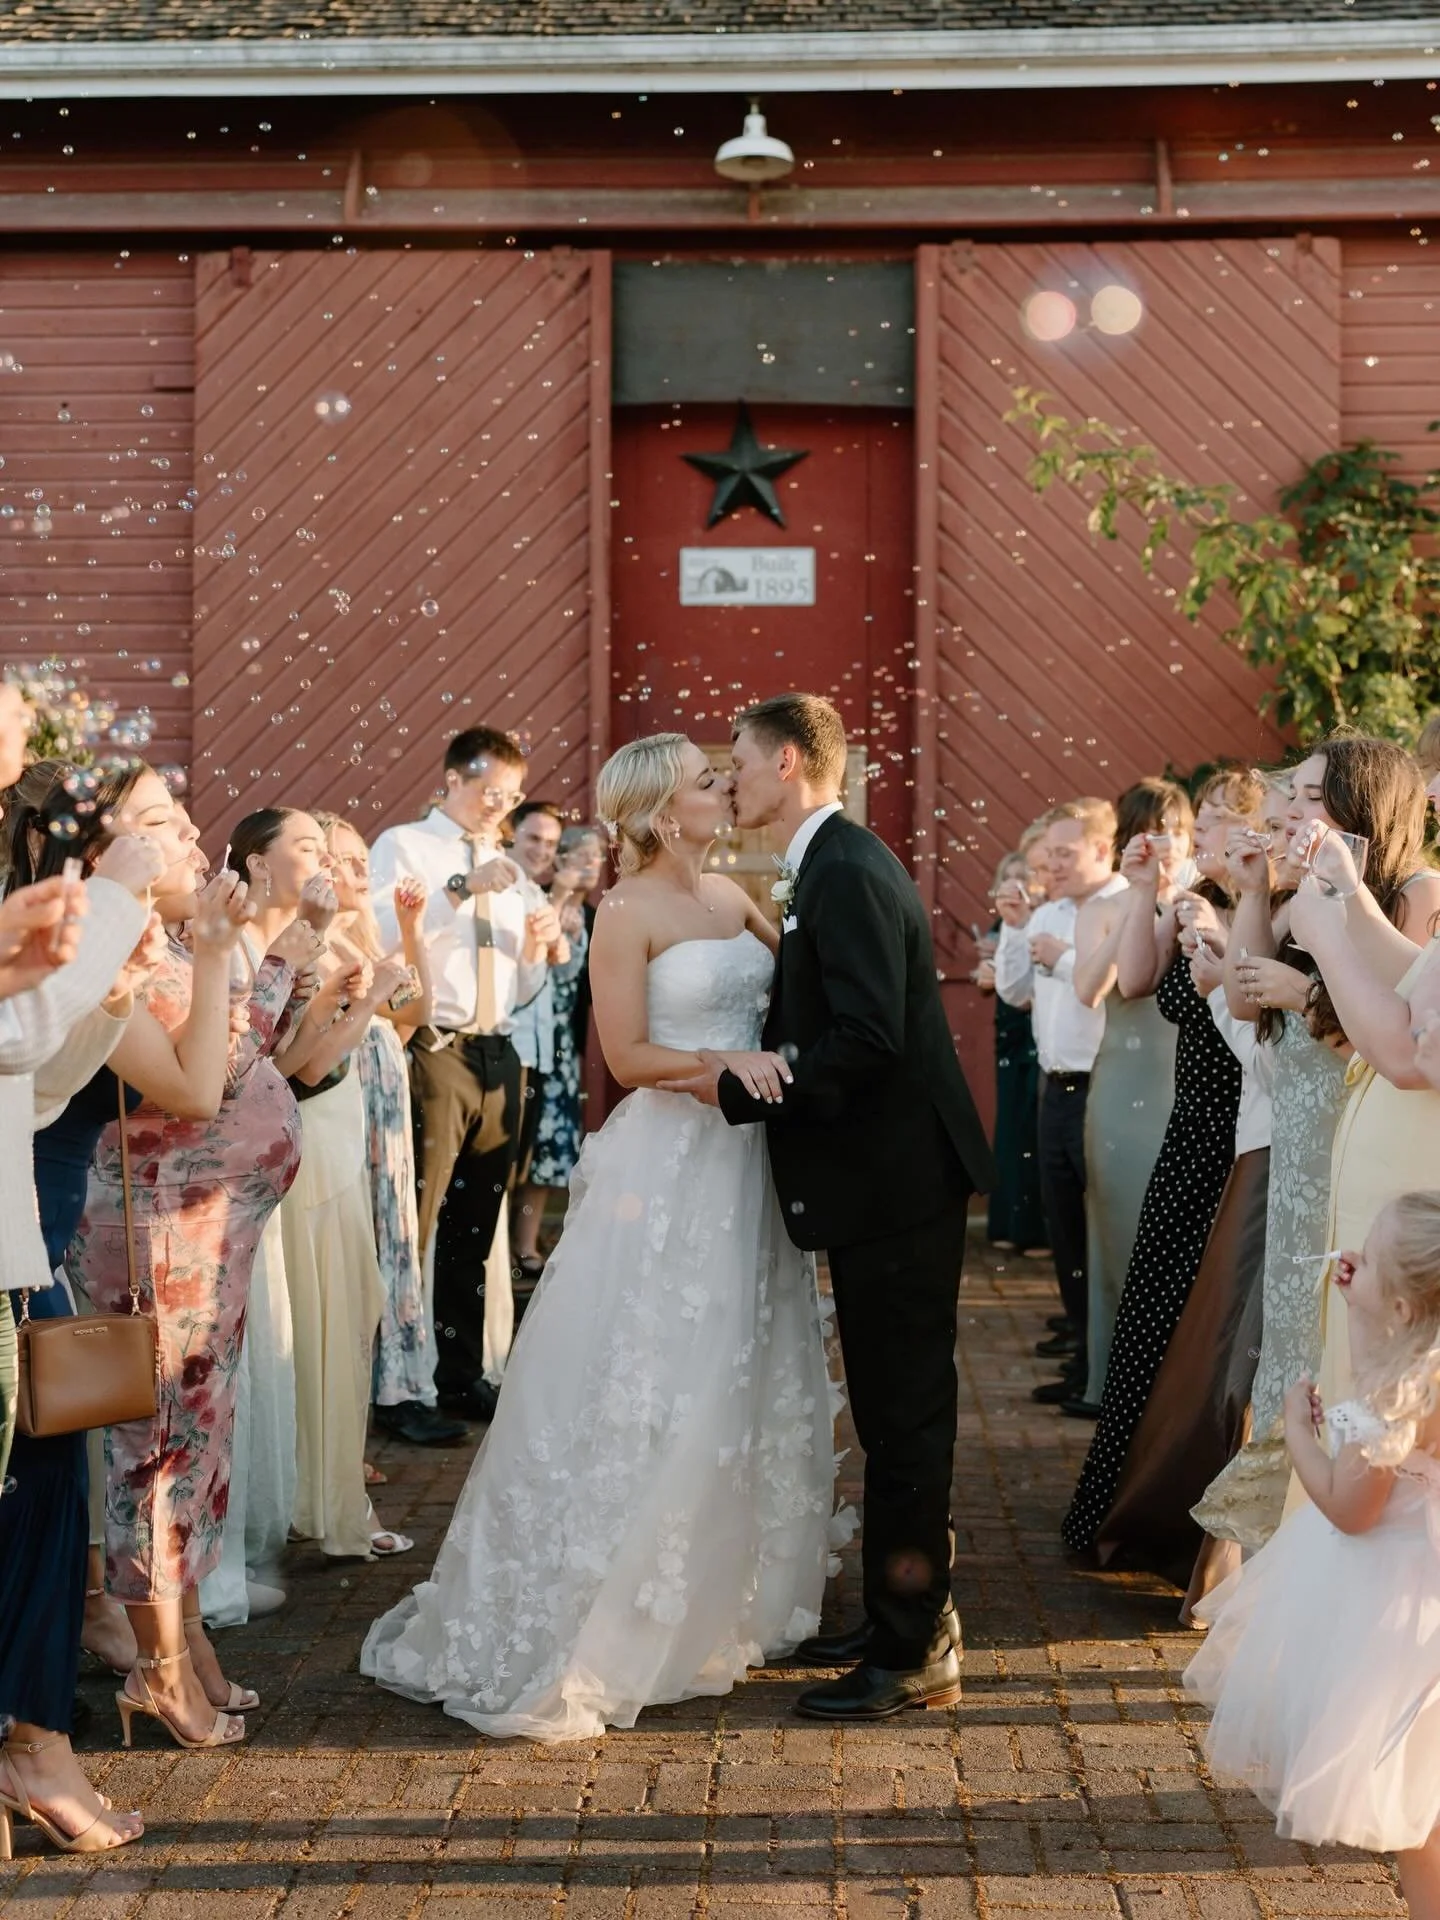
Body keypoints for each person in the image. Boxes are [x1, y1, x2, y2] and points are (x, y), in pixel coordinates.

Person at [362, 732, 842, 1741]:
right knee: (653, 1370)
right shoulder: (628, 912)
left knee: (735, 1369)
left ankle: (715, 1596)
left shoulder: (733, 899)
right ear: (666, 812)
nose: (723, 790)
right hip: (669, 1166)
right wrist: (724, 1059)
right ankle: (611, 1609)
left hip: (744, 1165)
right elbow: (625, 1055)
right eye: (706, 784)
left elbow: (796, 987)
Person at [662, 694, 995, 1721]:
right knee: (899, 1414)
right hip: (888, 1179)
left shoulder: (844, 868)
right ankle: (914, 1612)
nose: (734, 779)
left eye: (743, 763)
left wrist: (748, 1082)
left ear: (794, 764)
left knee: (904, 1423)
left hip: (894, 1183)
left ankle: (910, 1654)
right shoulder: (837, 859)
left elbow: (864, 1041)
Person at [68, 774, 307, 1751]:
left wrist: (275, 944)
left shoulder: (165, 942)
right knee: (159, 1453)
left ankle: (191, 1642)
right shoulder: (103, 957)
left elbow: (252, 1041)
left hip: (212, 1239)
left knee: (197, 1448)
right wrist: (217, 953)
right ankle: (156, 1668)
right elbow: (198, 1089)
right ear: (105, 857)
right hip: (157, 1241)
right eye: (162, 825)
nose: (193, 836)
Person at [1200, 735, 1437, 1550]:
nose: (1291, 811)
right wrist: (1262, 891)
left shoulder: (1414, 892)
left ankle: (1342, 1521)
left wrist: (1313, 976)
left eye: (1309, 796)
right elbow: (1239, 997)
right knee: (1298, 1342)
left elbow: (1405, 1047)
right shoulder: (1317, 889)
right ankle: (1287, 1536)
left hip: (1377, 1149)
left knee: (1358, 1346)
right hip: (1316, 1153)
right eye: (1291, 795)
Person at [1185, 1193, 1440, 1915]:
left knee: (1421, 1813)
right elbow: (1394, 1351)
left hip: (1401, 1615)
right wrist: (1366, 1309)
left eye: (1370, 1256)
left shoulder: (1390, 1400)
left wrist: (1298, 1430)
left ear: (1401, 1312)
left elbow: (1348, 1508)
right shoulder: (1423, 1371)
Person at [1061, 767, 1264, 1555]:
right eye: (1198, 818)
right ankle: (1124, 1497)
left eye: (1212, 820)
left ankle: (1177, 1513)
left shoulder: (1253, 913)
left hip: (1225, 1136)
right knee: (1149, 1311)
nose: (1197, 832)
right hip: (1187, 1131)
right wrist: (1149, 890)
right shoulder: (1187, 904)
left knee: (1193, 1324)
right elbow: (1138, 981)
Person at [232, 808, 413, 1561]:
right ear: (255, 864)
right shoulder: (248, 947)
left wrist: (355, 995)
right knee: (310, 1330)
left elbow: (308, 1053)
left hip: (334, 1137)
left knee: (346, 1317)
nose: (323, 863)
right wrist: (359, 1003)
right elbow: (298, 1066)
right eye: (306, 848)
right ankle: (315, 1500)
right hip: (296, 1153)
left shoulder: (306, 943)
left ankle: (335, 1495)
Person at [368, 728, 562, 1423]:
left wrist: (540, 952)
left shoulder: (507, 868)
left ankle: (458, 1373)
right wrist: (459, 887)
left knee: (474, 1230)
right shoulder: (404, 845)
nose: (499, 806)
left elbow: (524, 987)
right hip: (435, 1047)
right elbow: (380, 936)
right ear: (453, 778)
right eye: (490, 792)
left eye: (510, 795)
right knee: (415, 1225)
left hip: (496, 1051)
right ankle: (399, 1387)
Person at [312, 814, 464, 1453]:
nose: (357, 872)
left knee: (392, 1242)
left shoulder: (362, 942)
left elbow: (417, 1014)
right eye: (342, 861)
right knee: (359, 1253)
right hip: (347, 1109)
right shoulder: (315, 946)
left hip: (387, 1111)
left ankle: (398, 1388)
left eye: (358, 860)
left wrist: (409, 933)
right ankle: (368, 1406)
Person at [995, 798, 1126, 1408]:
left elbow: (1122, 984)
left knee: (1104, 1227)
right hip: (1055, 1089)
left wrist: (1065, 955)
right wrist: (1019, 930)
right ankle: (1082, 1355)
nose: (1053, 864)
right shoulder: (1047, 909)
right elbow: (1015, 990)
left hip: (1106, 1089)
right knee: (1065, 1229)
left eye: (1066, 853)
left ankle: (1111, 1367)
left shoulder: (1125, 904)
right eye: (1049, 854)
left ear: (1104, 849)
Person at [1069, 779, 1190, 1414]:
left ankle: (1175, 1381)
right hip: (1123, 1088)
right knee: (1122, 1231)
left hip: (1189, 1086)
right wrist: (1134, 910)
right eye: (1154, 832)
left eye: (1178, 831)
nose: (1167, 845)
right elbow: (1089, 989)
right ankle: (1118, 1385)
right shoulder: (1105, 907)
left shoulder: (1205, 902)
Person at [503, 801, 582, 1290]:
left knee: (523, 1157)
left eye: (551, 844)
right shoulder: (500, 892)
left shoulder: (536, 895)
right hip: (500, 1042)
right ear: (510, 835)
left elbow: (558, 973)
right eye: (533, 839)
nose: (542, 851)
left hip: (537, 1049)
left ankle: (512, 1254)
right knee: (502, 1165)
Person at [525, 824, 607, 1238]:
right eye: (585, 855)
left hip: (563, 1046)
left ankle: (528, 1238)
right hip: (527, 1042)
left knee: (553, 1144)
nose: (595, 864)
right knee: (527, 1142)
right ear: (560, 860)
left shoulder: (594, 918)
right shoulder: (537, 903)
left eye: (599, 856)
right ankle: (516, 1241)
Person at [981, 839, 1048, 1261]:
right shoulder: (998, 926)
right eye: (1009, 880)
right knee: (1009, 1126)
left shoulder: (1044, 923)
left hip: (1037, 1029)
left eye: (1023, 878)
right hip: (1010, 1029)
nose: (1016, 887)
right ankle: (1005, 1223)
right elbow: (990, 980)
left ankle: (1036, 1229)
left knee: (1033, 1126)